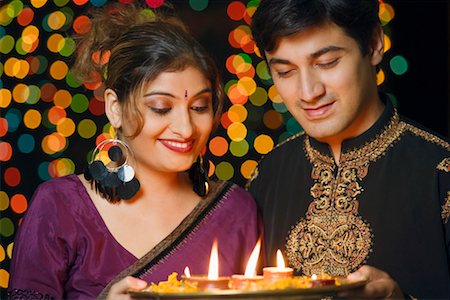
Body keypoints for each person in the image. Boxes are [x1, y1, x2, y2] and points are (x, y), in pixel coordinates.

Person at [8, 2, 261, 299]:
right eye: (161, 108)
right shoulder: (61, 207)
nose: (186, 127)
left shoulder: (234, 211)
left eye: (199, 107)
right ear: (115, 108)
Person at [247, 0, 450, 298]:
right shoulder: (266, 176)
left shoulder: (440, 174)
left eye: (327, 63)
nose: (308, 92)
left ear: (374, 44)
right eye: (286, 71)